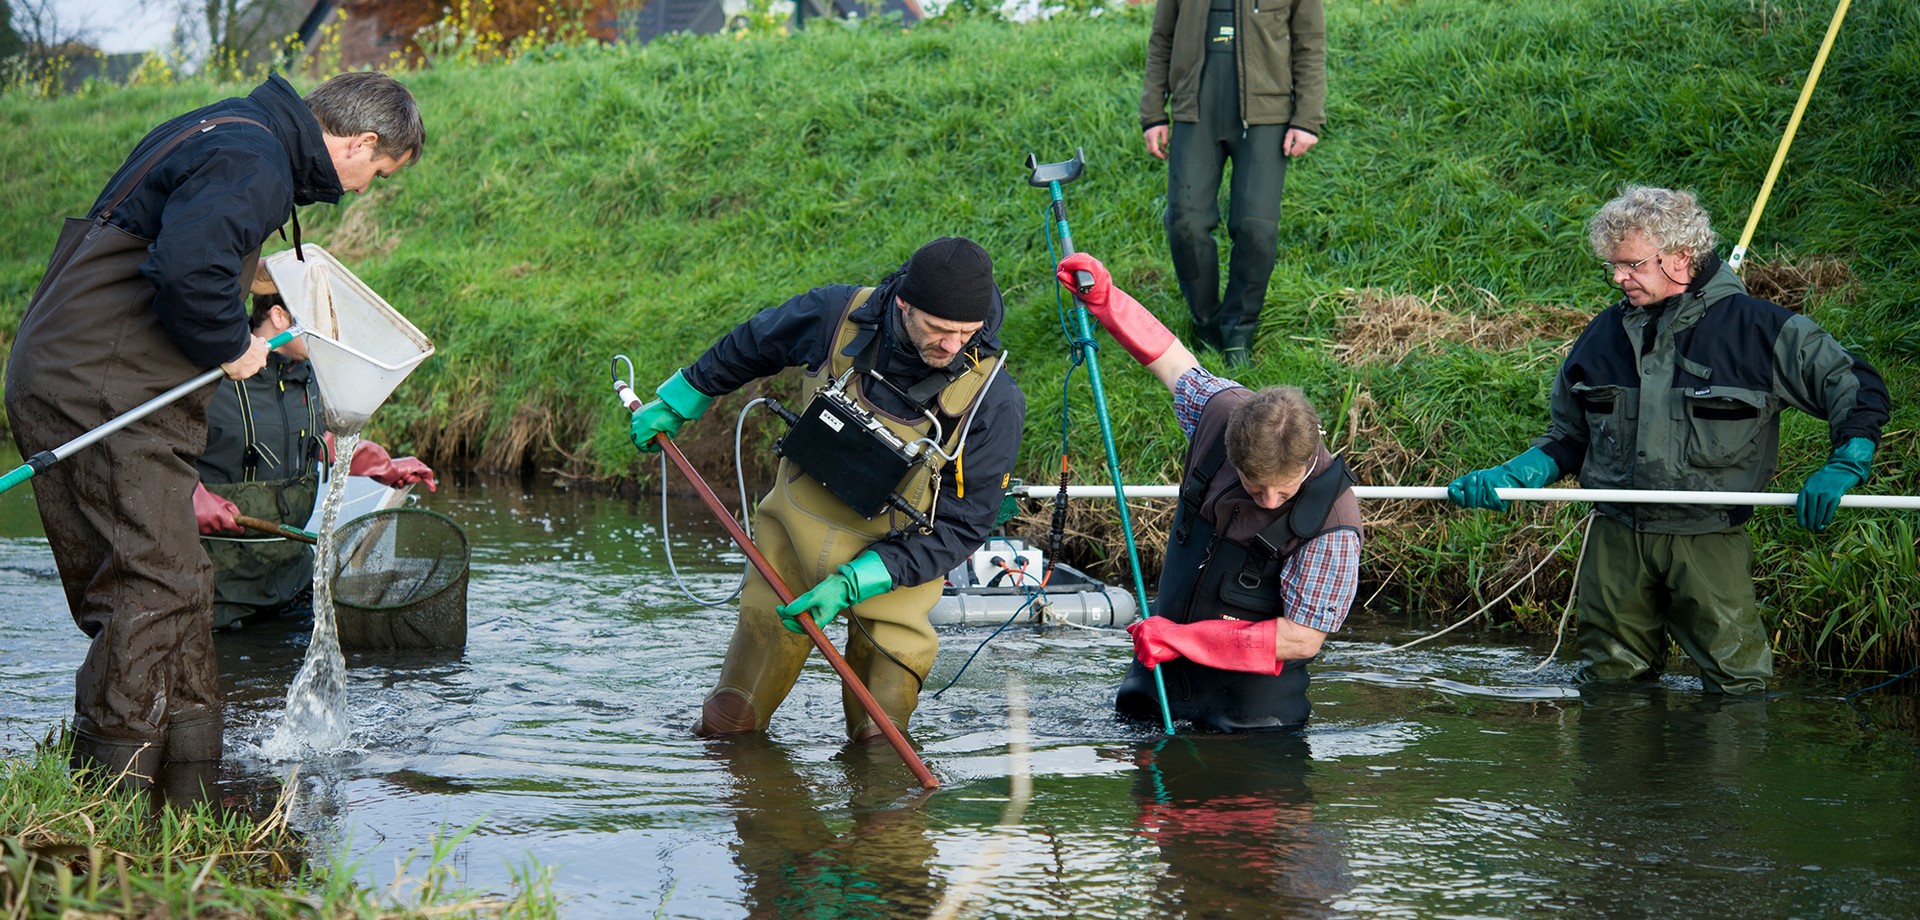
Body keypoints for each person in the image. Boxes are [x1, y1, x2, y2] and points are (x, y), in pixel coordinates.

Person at [5, 70, 424, 782]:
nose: (363, 189)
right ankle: (109, 797)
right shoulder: (254, 158)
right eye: (377, 172)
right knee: (152, 584)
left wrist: (257, 308)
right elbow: (188, 268)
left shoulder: (235, 130)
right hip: (100, 385)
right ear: (361, 142)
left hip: (95, 372)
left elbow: (181, 245)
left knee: (184, 582)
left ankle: (194, 783)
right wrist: (234, 345)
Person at [1448, 185, 1890, 695]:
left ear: (1680, 259)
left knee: (1737, 690)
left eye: (1630, 265)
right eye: (1612, 265)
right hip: (1614, 539)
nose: (1617, 277)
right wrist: (1514, 475)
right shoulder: (1602, 334)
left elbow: (1856, 388)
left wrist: (1847, 461)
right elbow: (1569, 436)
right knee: (1608, 685)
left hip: (1708, 538)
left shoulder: (1762, 330)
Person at [629, 237, 1027, 743]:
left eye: (967, 334)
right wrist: (686, 393)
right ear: (904, 302)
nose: (953, 347)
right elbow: (754, 344)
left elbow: (963, 524)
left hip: (893, 581)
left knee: (880, 749)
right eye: (940, 330)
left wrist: (857, 581)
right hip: (787, 552)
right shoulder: (837, 315)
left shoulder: (994, 400)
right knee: (727, 726)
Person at [1055, 253, 1361, 732]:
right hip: (1156, 689)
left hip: (1255, 724)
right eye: (1253, 486)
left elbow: (1301, 639)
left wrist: (1180, 639)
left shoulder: (1334, 528)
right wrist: (1105, 299)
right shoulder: (1219, 413)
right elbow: (1170, 358)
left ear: (1307, 462)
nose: (1267, 503)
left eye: (1282, 493)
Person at [192, 270, 437, 632]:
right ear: (279, 316)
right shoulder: (206, 377)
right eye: (320, 319)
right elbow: (152, 452)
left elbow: (321, 441)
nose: (330, 331)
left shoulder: (309, 376)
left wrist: (384, 467)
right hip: (219, 599)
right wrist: (190, 495)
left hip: (292, 584)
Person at [1140, 0, 1325, 365]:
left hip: (1266, 114)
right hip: (1195, 108)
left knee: (1256, 227)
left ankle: (1239, 330)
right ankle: (1206, 324)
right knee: (1185, 223)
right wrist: (1153, 113)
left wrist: (1307, 118)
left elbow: (1310, 41)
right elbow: (1162, 37)